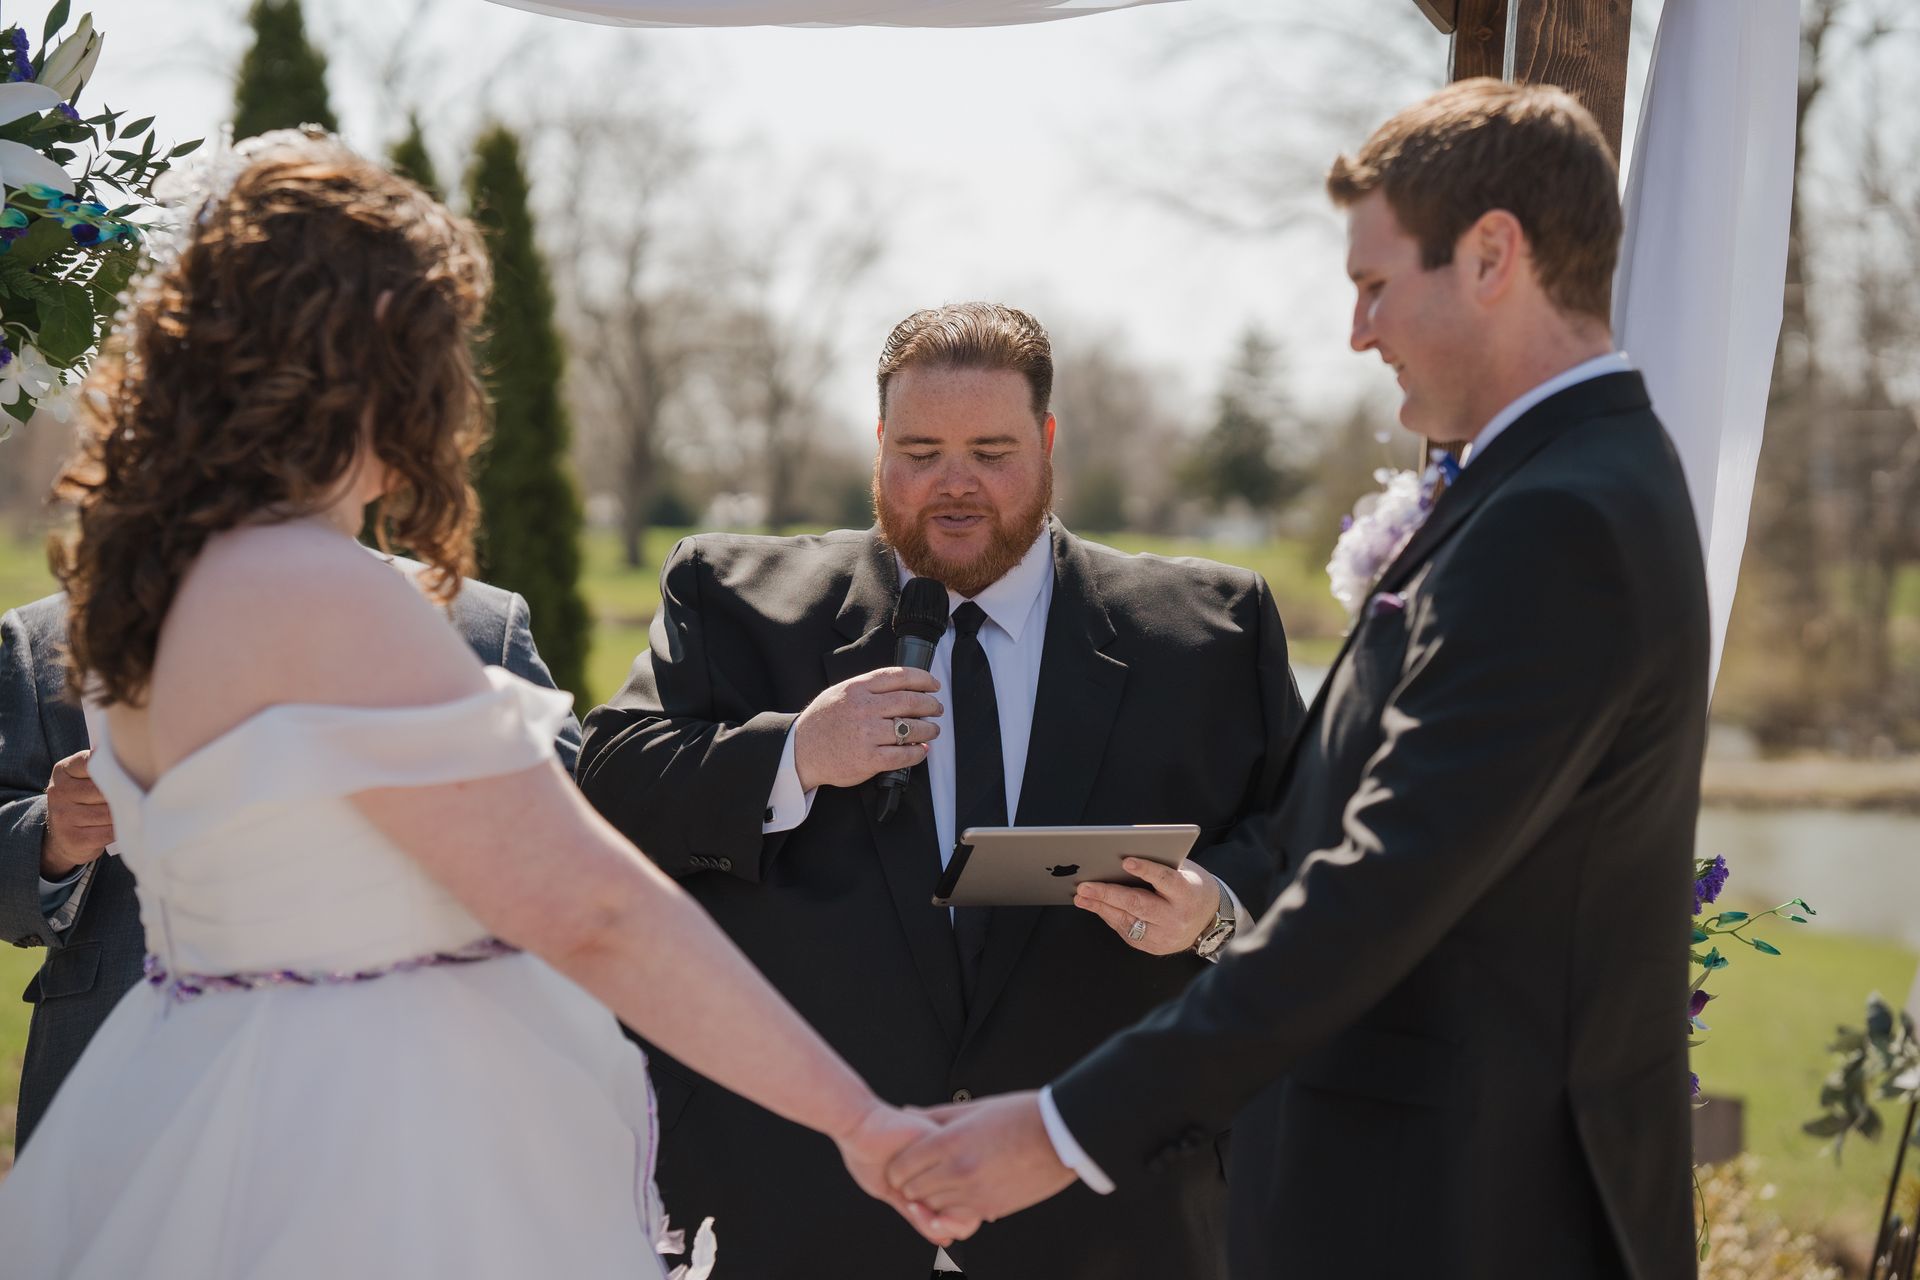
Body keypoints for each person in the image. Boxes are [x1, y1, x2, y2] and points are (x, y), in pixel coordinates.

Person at [0, 130, 970, 1276]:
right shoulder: (319, 591)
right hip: (376, 1156)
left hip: (191, 1112)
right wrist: (861, 1119)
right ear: (373, 362)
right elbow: (593, 909)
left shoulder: (145, 594)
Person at [888, 80, 1708, 1280]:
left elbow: (1385, 881)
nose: (1359, 331)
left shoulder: (1561, 520)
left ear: (1493, 256)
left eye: (1375, 285)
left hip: (1477, 1213)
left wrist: (1062, 1126)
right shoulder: (1547, 485)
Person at [575, 301, 1305, 1279]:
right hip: (798, 1205)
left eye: (991, 450)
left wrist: (1214, 910)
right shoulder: (731, 596)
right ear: (879, 446)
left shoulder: (1210, 631)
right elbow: (610, 780)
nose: (955, 483)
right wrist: (797, 752)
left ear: (1047, 444)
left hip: (1107, 1212)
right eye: (920, 450)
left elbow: (1305, 846)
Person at [1, 571, 576, 1153]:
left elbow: (569, 846)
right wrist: (53, 838)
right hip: (127, 1089)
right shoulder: (47, 635)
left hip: (405, 1078)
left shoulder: (473, 623)